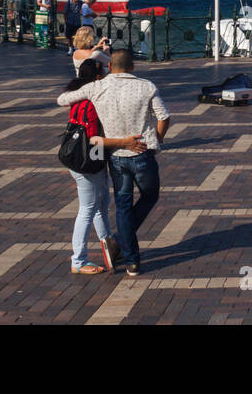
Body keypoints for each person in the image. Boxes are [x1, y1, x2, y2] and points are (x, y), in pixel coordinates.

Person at [59, 49, 170, 276]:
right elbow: (164, 116)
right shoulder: (146, 86)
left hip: (116, 157)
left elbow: (62, 100)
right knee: (150, 195)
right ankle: (117, 242)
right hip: (141, 152)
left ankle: (132, 262)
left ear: (110, 67)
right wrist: (158, 138)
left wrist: (83, 92)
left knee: (122, 205)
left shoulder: (97, 87)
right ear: (132, 67)